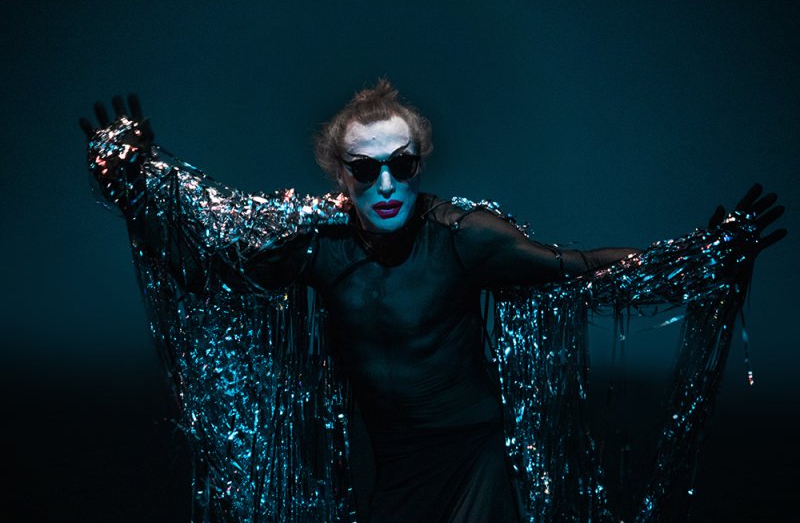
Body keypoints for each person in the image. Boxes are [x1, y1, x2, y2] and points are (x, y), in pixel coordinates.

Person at [80, 81, 784, 522]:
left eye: (401, 165)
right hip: (392, 465)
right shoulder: (317, 249)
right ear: (340, 176)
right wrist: (137, 190)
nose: (386, 183)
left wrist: (703, 255)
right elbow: (211, 275)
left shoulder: (463, 238)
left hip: (477, 455)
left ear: (418, 165)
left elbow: (585, 271)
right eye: (366, 169)